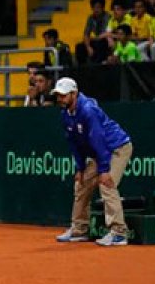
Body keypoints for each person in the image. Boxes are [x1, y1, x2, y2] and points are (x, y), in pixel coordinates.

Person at [52, 78, 133, 247]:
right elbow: (74, 144)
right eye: (58, 95)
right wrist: (80, 168)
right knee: (81, 184)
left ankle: (119, 233)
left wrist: (104, 170)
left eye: (63, 95)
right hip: (101, 152)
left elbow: (99, 140)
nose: (59, 99)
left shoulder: (88, 111)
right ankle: (79, 230)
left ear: (74, 94)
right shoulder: (65, 114)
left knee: (107, 184)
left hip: (117, 147)